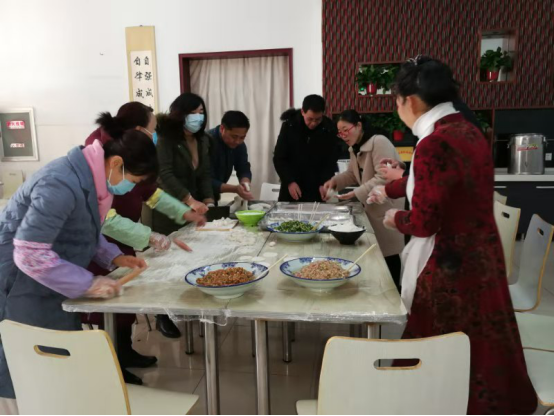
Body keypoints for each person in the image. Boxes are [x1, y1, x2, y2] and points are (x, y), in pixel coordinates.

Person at [369, 56, 537, 415]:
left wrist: (395, 218)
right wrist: (394, 186)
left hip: (449, 267)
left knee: (441, 350)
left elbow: (425, 221)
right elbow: (440, 185)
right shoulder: (468, 130)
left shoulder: (434, 143)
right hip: (481, 258)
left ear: (409, 100)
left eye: (396, 101)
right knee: (481, 345)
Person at [0, 129, 157, 403]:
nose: (131, 188)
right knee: (26, 372)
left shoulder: (91, 180)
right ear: (116, 163)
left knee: (58, 364)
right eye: (133, 180)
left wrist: (113, 256)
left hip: (51, 282)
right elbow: (30, 254)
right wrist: (89, 283)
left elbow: (83, 229)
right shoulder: (60, 183)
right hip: (20, 284)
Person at [84, 103, 206, 378]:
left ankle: (124, 352)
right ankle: (111, 365)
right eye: (153, 130)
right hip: (99, 243)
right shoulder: (101, 155)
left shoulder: (134, 153)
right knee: (105, 305)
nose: (155, 136)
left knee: (125, 298)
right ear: (138, 129)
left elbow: (152, 193)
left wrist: (184, 211)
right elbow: (106, 219)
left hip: (124, 239)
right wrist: (148, 236)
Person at [322, 110, 405, 287]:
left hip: (386, 207)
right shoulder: (355, 147)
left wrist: (356, 193)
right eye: (340, 132)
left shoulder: (379, 142)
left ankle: (394, 295)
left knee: (389, 257)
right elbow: (353, 174)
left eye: (346, 130)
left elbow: (385, 176)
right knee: (376, 257)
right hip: (372, 206)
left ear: (359, 125)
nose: (343, 135)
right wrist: (335, 182)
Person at [154, 93, 214, 235]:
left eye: (201, 112)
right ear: (180, 114)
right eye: (192, 113)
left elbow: (204, 173)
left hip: (191, 211)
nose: (198, 117)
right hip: (167, 210)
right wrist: (189, 199)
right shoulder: (166, 138)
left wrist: (209, 200)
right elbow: (164, 174)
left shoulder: (203, 140)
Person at [273, 95, 343, 202]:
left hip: (316, 188)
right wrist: (289, 181)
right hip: (292, 186)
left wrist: (324, 182)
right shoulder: (289, 126)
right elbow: (279, 158)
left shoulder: (329, 129)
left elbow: (331, 161)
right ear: (302, 112)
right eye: (310, 119)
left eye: (318, 119)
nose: (313, 123)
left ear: (322, 114)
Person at [207, 111, 253, 203]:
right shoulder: (206, 142)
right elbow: (205, 180)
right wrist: (235, 189)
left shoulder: (239, 145)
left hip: (214, 196)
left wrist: (245, 183)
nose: (237, 141)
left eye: (242, 137)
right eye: (234, 137)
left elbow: (243, 167)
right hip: (196, 197)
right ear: (222, 128)